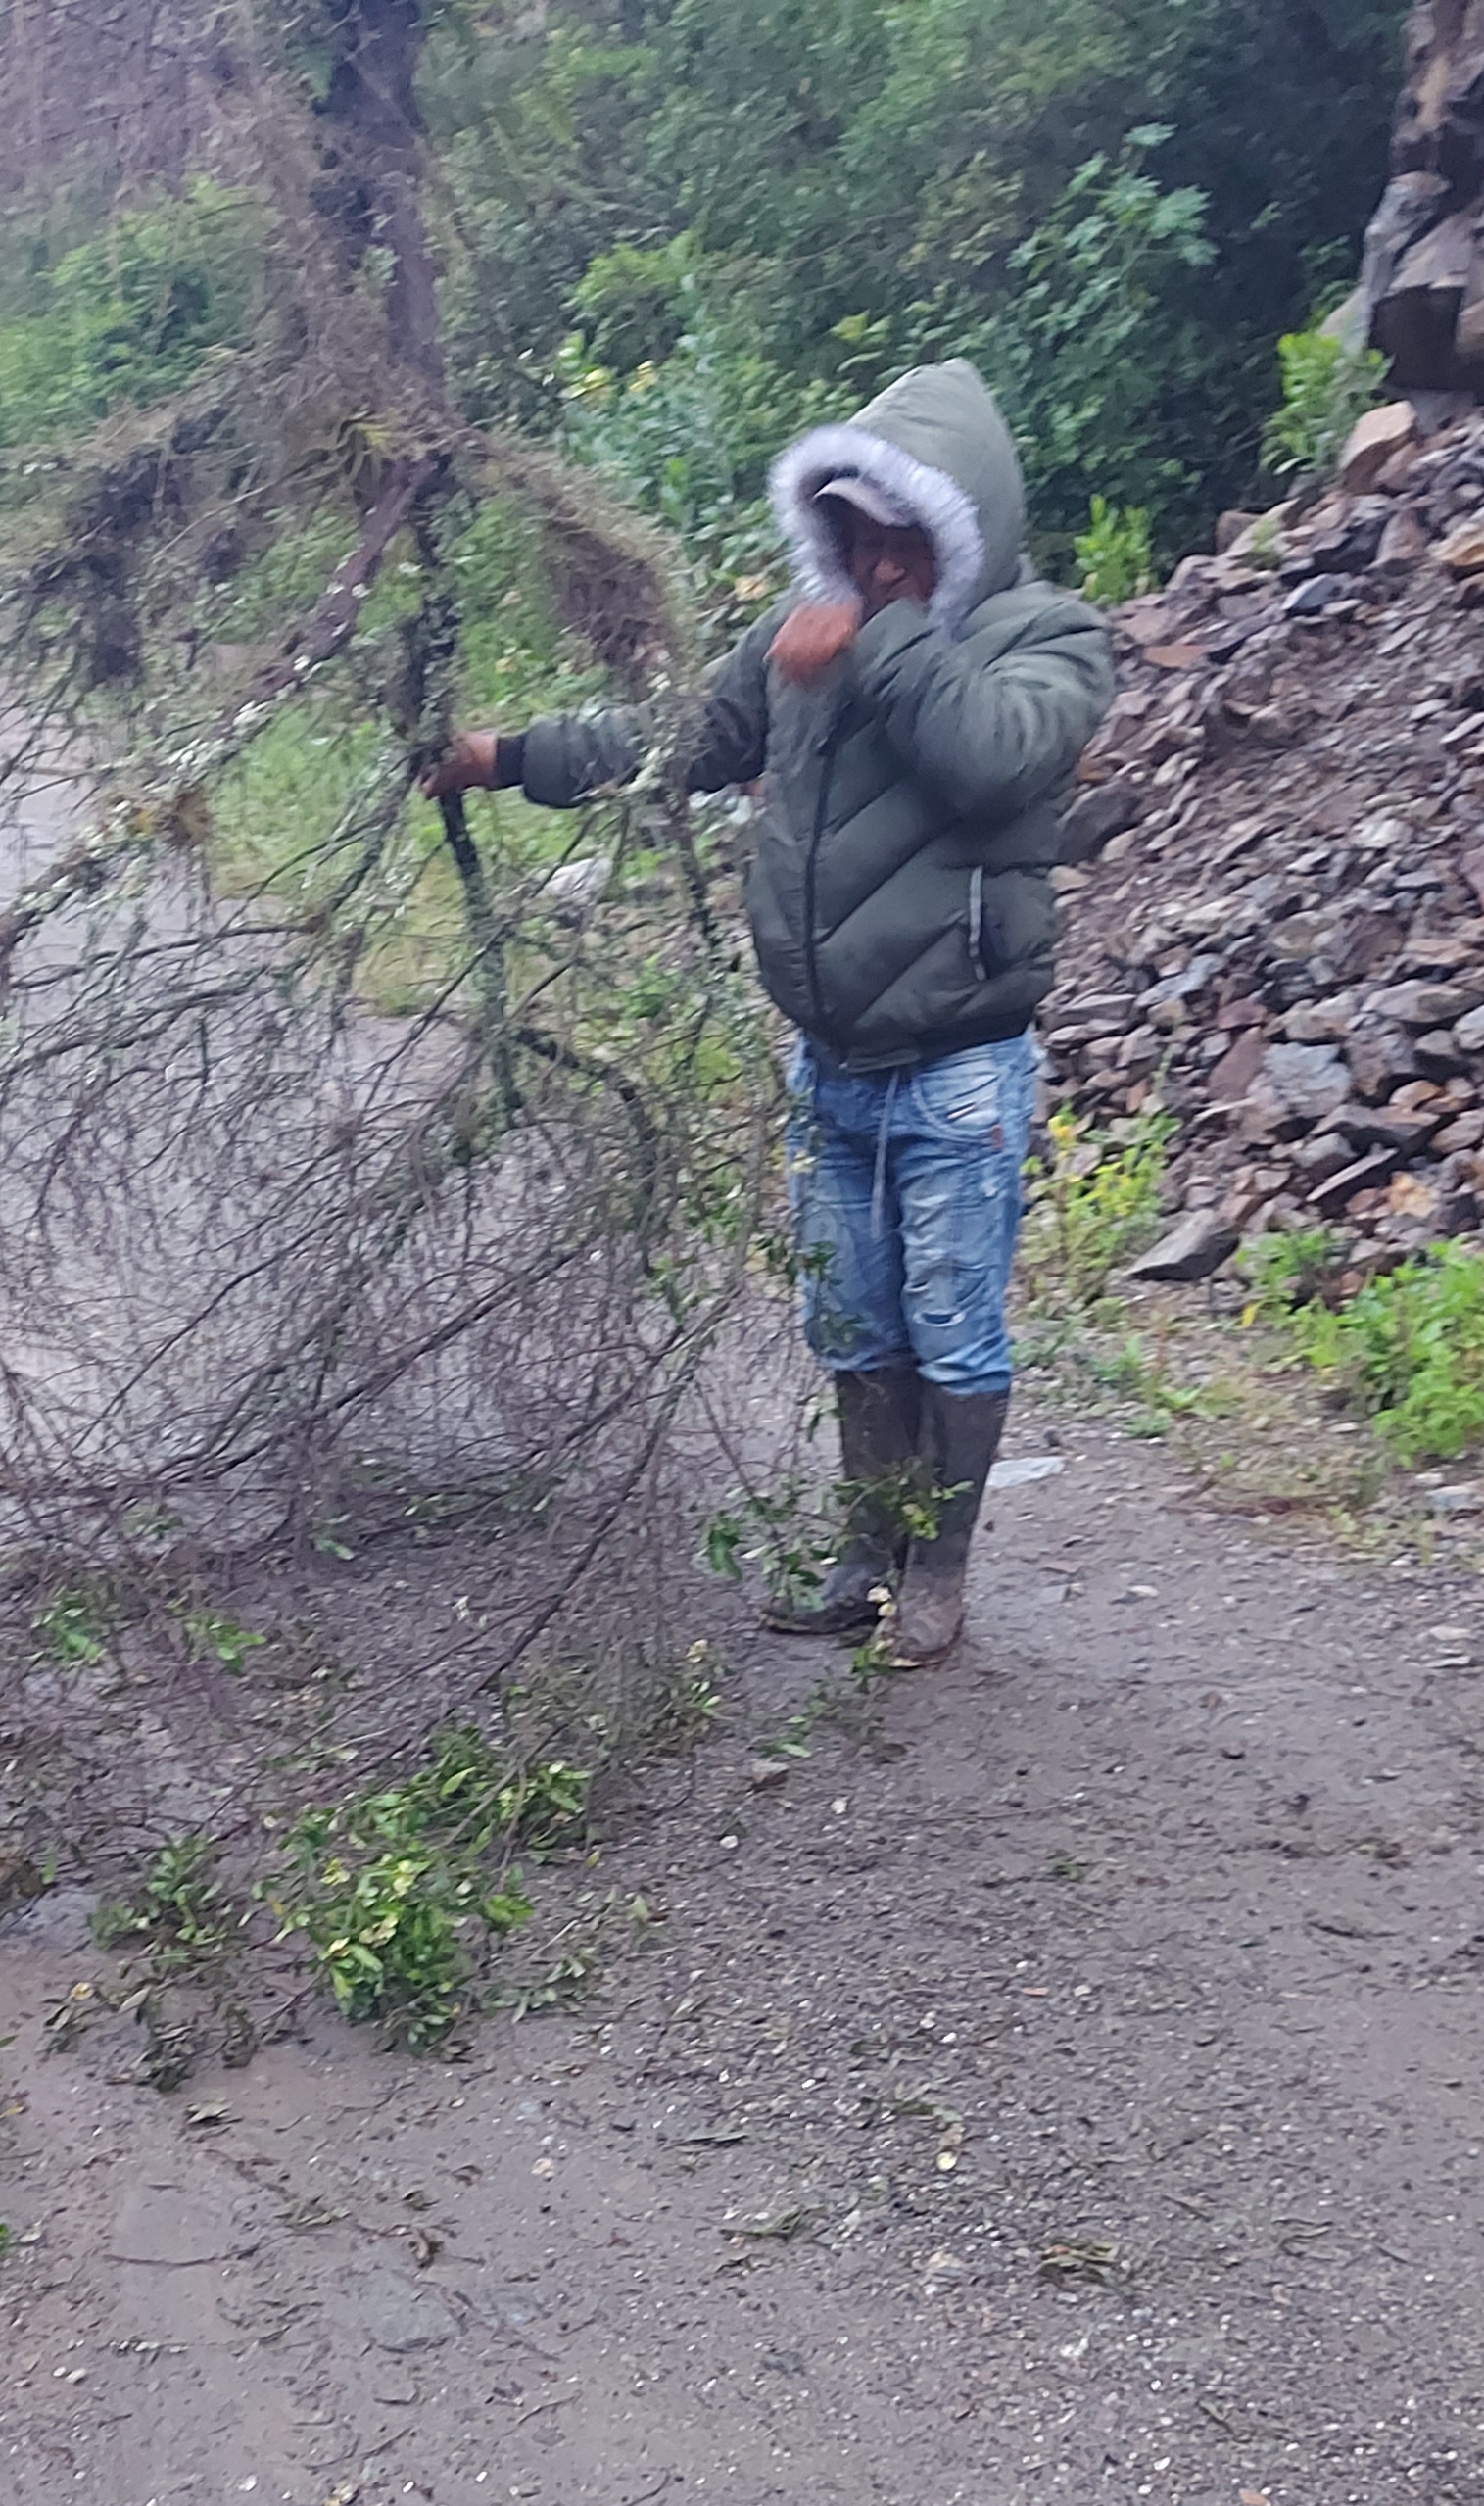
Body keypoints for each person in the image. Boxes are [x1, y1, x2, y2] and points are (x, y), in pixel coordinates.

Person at [423, 361, 1112, 1666]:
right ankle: (866, 1556)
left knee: (953, 1328)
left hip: (959, 1066)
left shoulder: (1049, 637)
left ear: (961, 525)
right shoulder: (803, 637)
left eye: (902, 538)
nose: (875, 563)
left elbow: (995, 760)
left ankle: (938, 1577)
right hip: (830, 1061)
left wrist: (882, 636)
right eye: (852, 536)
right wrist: (504, 759)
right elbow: (675, 739)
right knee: (852, 1322)